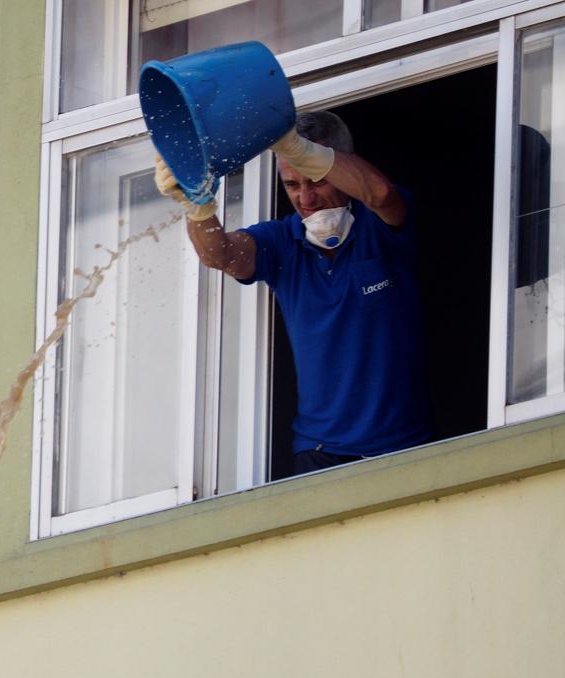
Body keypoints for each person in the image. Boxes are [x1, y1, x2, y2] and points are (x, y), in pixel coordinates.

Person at [155, 111, 433, 477]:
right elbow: (218, 254)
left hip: (403, 443)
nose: (306, 198)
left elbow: (380, 193)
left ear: (340, 169)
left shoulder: (378, 226)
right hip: (321, 451)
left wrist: (300, 149)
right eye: (291, 184)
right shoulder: (282, 241)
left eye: (315, 180)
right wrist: (197, 204)